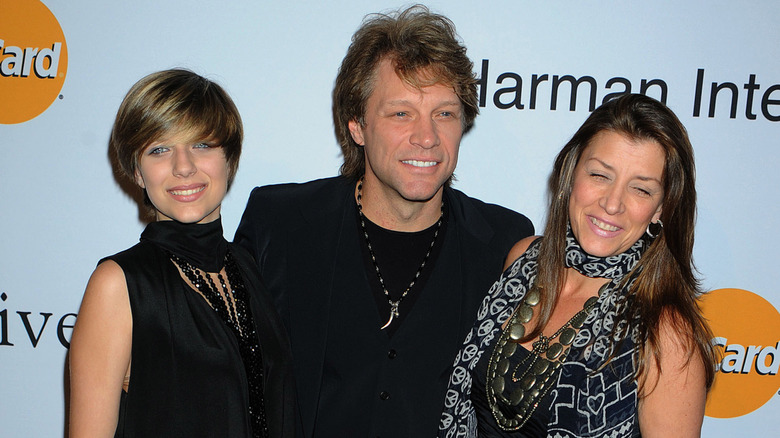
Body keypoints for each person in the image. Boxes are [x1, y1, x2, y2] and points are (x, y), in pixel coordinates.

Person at [234, 5, 533, 437]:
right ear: (357, 125)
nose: (427, 137)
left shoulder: (505, 244)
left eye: (444, 114)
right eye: (401, 113)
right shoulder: (279, 225)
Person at [439, 94, 717, 437]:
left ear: (661, 208)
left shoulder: (665, 336)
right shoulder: (524, 262)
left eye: (641, 190)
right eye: (600, 175)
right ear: (571, 173)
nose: (612, 204)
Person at [69, 69, 296, 438]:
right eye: (159, 150)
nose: (184, 166)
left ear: (229, 159)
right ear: (137, 171)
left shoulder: (248, 267)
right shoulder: (120, 284)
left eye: (202, 144)